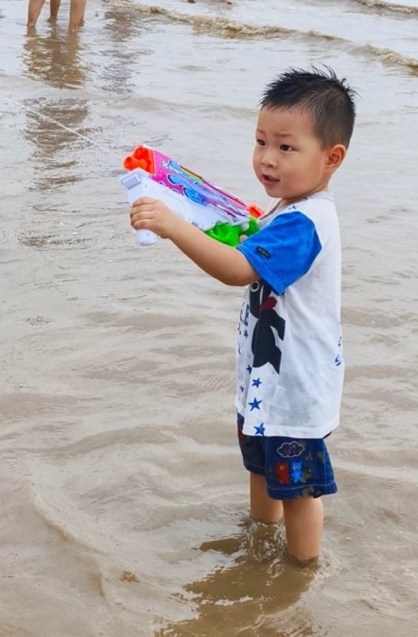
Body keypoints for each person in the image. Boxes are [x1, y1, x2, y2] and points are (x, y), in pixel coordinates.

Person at [127, 67, 357, 565]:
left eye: (286, 148)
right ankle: (260, 545)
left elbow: (236, 270)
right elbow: (247, 245)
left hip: (294, 391)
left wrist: (172, 226)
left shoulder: (304, 224)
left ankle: (301, 568)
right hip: (264, 384)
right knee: (260, 467)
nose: (267, 159)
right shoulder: (286, 209)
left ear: (332, 157)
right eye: (260, 142)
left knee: (297, 491)